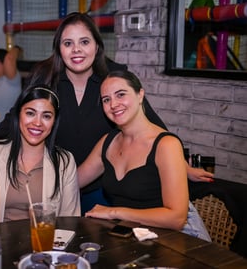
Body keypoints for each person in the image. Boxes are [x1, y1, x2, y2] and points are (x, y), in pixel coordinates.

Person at [0, 12, 214, 214]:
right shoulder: (44, 77)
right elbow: (15, 120)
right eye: (68, 43)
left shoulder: (113, 79)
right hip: (54, 184)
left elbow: (150, 125)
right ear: (59, 48)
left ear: (97, 46)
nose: (76, 50)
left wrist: (182, 166)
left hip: (100, 188)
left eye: (84, 42)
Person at [78, 70, 211, 241]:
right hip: (139, 235)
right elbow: (74, 180)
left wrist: (113, 212)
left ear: (140, 95)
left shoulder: (166, 144)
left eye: (120, 95)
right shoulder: (108, 142)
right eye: (106, 99)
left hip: (182, 238)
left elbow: (176, 219)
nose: (113, 104)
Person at [0, 84, 80, 222]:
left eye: (46, 116)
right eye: (30, 113)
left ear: (54, 122)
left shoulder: (65, 162)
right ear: (18, 114)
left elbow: (70, 222)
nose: (37, 123)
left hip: (45, 241)